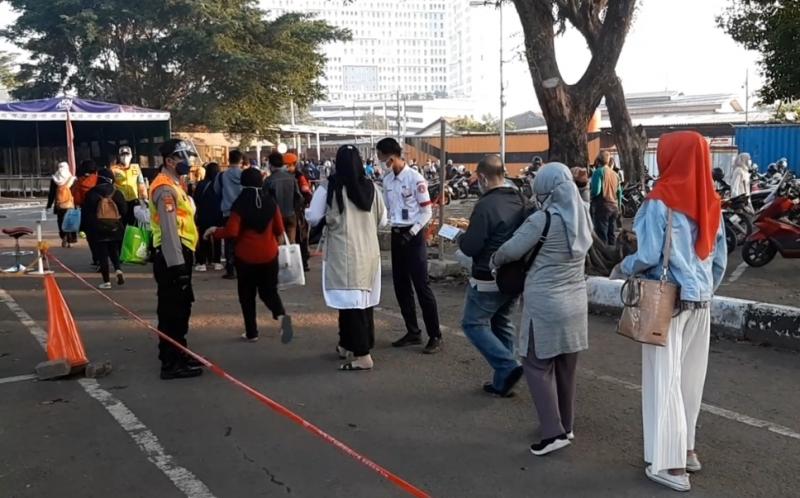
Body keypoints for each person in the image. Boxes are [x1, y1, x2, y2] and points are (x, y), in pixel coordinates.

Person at [614, 131, 727, 492]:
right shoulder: (711, 201)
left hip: (668, 303)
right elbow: (720, 260)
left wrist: (622, 268)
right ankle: (688, 449)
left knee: (664, 381)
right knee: (690, 380)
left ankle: (670, 465)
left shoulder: (659, 201)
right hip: (701, 303)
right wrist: (703, 289)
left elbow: (646, 256)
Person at [492, 162, 593, 456]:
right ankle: (566, 425)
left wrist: (494, 260)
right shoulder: (582, 215)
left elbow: (511, 251)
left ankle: (552, 434)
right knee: (565, 366)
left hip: (546, 304)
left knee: (536, 365)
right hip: (576, 302)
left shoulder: (543, 219)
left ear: (545, 189)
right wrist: (583, 185)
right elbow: (583, 201)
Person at [307, 145, 387, 370]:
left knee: (351, 304)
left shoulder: (329, 187)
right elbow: (382, 221)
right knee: (362, 302)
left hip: (343, 253)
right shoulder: (372, 187)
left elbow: (313, 217)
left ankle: (363, 355)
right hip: (369, 252)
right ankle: (347, 344)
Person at [457, 155, 527, 397]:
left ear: (483, 178)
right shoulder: (518, 198)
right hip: (514, 274)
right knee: (501, 322)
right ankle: (502, 381)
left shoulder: (485, 206)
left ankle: (508, 366)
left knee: (473, 323)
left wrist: (459, 237)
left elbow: (471, 247)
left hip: (488, 275)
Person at [207, 168, 293, 343]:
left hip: (245, 258)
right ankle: (282, 317)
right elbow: (279, 229)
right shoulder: (270, 202)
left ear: (243, 183)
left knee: (246, 296)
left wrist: (215, 231)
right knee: (269, 292)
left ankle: (252, 332)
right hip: (269, 255)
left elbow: (231, 231)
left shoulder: (240, 204)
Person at [376, 137, 442, 354]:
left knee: (421, 287)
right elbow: (387, 210)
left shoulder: (415, 178)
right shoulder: (387, 181)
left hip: (413, 236)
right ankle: (413, 331)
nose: (380, 161)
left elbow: (427, 211)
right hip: (396, 234)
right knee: (401, 286)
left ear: (392, 157)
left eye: (381, 157)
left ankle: (435, 335)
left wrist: (413, 232)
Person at [150, 139, 203, 380]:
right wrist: (178, 266)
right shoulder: (164, 189)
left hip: (181, 252)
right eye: (183, 158)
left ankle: (179, 352)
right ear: (170, 161)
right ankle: (170, 362)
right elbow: (170, 230)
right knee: (172, 310)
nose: (188, 163)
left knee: (182, 308)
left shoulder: (175, 184)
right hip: (173, 255)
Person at [83, 169, 127, 289]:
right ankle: (118, 269)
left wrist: (84, 229)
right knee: (114, 250)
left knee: (102, 254)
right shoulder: (116, 192)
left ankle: (106, 281)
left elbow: (86, 213)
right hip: (115, 227)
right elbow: (124, 210)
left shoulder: (91, 193)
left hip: (97, 228)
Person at [215, 149, 245, 279]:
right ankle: (242, 267)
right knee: (242, 239)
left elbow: (217, 190)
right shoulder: (245, 175)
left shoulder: (221, 176)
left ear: (229, 160)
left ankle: (230, 269)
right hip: (243, 212)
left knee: (229, 240)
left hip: (227, 211)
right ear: (241, 161)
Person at [264, 152, 302, 243]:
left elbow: (265, 199)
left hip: (276, 216)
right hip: (291, 214)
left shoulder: (269, 180)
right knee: (291, 244)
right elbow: (298, 196)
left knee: (279, 244)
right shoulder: (292, 178)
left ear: (270, 165)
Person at [193, 162, 224, 272]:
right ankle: (217, 261)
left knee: (203, 238)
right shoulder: (220, 184)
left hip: (203, 214)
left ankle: (202, 262)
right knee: (217, 238)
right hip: (218, 214)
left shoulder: (201, 184)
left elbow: (195, 199)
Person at [286, 152, 313, 271]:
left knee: (300, 238)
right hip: (296, 211)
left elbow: (306, 194)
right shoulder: (298, 176)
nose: (286, 167)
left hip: (297, 212)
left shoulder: (300, 177)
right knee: (298, 238)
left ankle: (303, 262)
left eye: (287, 165)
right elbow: (307, 195)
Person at [589, 151, 622, 245]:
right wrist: (618, 206)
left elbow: (596, 191)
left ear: (598, 161)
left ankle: (603, 257)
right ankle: (613, 255)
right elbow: (619, 191)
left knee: (601, 235)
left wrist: (589, 196)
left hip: (603, 206)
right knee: (611, 234)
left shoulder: (598, 172)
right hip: (614, 207)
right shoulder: (615, 174)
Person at [110, 146, 147, 226]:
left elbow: (141, 183)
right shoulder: (114, 169)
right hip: (121, 201)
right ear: (119, 156)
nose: (125, 157)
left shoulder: (136, 168)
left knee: (134, 222)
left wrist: (144, 198)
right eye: (123, 155)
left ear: (131, 156)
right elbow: (111, 185)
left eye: (127, 154)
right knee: (123, 222)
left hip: (134, 199)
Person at [72, 159, 100, 266]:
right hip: (100, 211)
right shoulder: (99, 179)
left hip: (86, 212)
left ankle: (96, 259)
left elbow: (77, 200)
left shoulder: (79, 182)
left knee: (91, 238)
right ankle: (105, 258)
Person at [47, 161, 77, 248]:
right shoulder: (72, 179)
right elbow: (75, 193)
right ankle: (70, 240)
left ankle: (63, 236)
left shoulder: (55, 179)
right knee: (70, 221)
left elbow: (51, 193)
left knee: (61, 221)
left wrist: (49, 205)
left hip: (59, 205)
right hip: (70, 204)